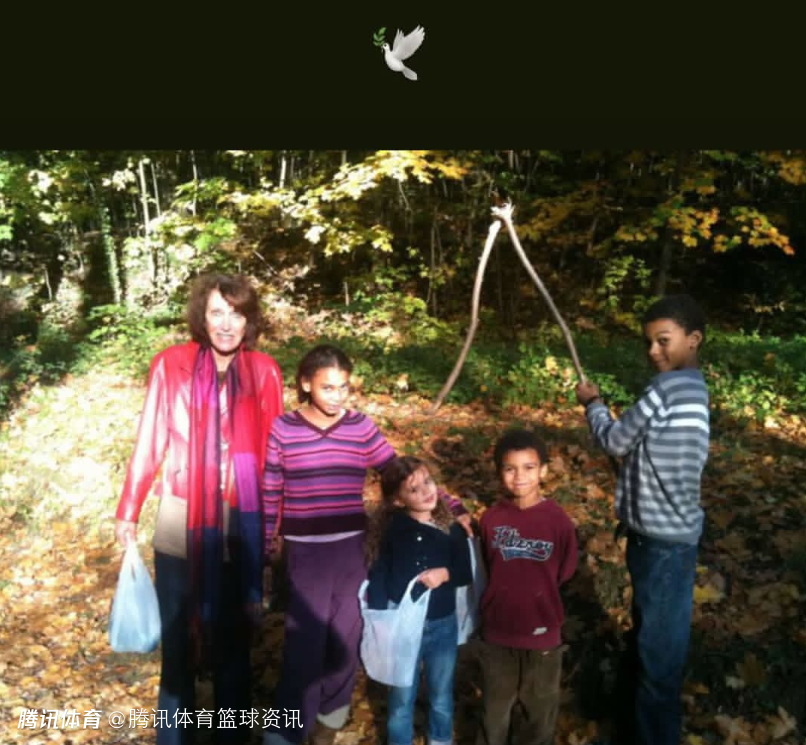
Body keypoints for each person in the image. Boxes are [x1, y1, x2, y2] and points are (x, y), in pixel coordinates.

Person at [261, 344, 471, 745]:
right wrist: (265, 543)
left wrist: (453, 507)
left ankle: (331, 714)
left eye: (344, 387)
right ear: (306, 384)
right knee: (304, 644)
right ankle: (287, 729)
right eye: (328, 387)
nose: (337, 396)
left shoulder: (360, 428)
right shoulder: (284, 429)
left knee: (347, 636)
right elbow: (270, 489)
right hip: (306, 553)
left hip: (352, 550)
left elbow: (402, 473)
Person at [115, 273, 285, 745]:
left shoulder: (265, 371)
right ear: (201, 317)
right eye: (216, 312)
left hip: (240, 520)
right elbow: (151, 438)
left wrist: (276, 524)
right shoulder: (171, 364)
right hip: (180, 517)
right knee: (177, 647)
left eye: (237, 313)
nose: (226, 324)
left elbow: (276, 455)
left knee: (233, 647)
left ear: (249, 320)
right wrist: (128, 509)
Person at [575, 293, 709, 745]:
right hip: (661, 538)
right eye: (648, 342)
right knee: (650, 634)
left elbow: (616, 440)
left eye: (663, 340)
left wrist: (593, 403)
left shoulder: (665, 390)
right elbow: (648, 450)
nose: (653, 351)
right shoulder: (695, 390)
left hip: (661, 544)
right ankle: (630, 723)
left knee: (659, 657)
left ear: (693, 339)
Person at [476, 428, 578, 745]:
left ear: (543, 471)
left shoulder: (558, 521)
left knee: (539, 718)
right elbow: (485, 567)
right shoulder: (491, 519)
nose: (519, 476)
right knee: (493, 716)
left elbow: (565, 571)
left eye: (529, 467)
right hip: (498, 634)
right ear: (499, 472)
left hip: (542, 635)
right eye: (510, 468)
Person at [365, 456, 473, 745]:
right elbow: (380, 574)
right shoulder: (392, 531)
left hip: (442, 624)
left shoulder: (451, 530)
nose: (426, 491)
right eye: (414, 489)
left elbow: (465, 572)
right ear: (398, 500)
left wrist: (445, 573)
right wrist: (380, 620)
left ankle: (440, 739)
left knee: (441, 693)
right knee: (402, 696)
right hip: (403, 625)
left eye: (428, 482)